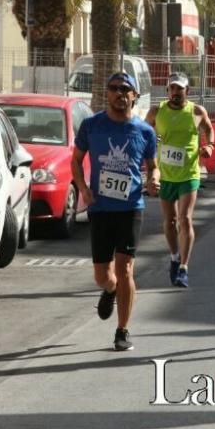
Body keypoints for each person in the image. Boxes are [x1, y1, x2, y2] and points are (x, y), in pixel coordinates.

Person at [72, 72, 159, 351]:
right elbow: (76, 161)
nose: (119, 93)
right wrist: (83, 188)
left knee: (125, 268)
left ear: (134, 95)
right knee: (102, 275)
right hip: (100, 208)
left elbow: (153, 165)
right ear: (106, 93)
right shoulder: (91, 125)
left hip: (131, 207)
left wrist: (154, 178)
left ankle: (123, 330)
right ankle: (109, 290)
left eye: (125, 89)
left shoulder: (145, 131)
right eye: (114, 88)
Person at [144, 72, 215, 288]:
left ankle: (184, 267)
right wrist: (151, 145)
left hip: (189, 174)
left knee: (185, 219)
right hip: (165, 175)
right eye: (172, 88)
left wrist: (210, 146)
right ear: (167, 91)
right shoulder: (157, 111)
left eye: (180, 89)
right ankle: (174, 257)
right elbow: (144, 134)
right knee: (170, 221)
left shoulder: (196, 111)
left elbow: (209, 130)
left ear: (187, 91)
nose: (176, 93)